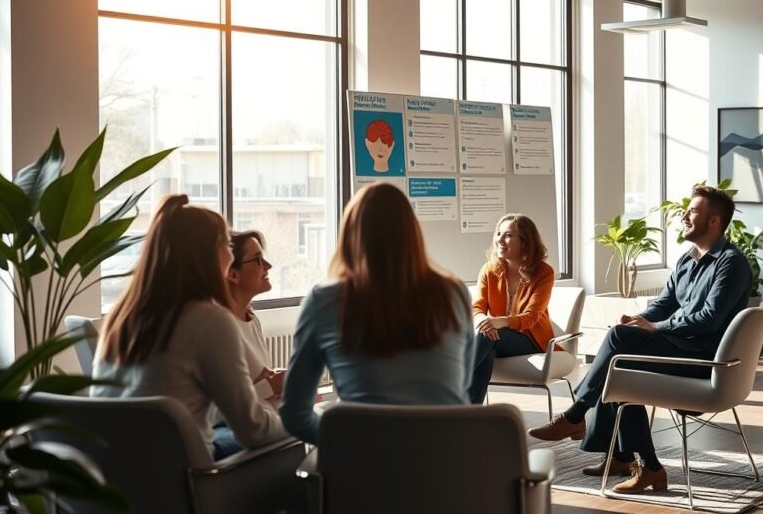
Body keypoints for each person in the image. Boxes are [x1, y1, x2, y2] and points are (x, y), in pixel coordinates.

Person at [528, 185, 752, 494]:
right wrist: (641, 320)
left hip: (704, 359)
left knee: (619, 349)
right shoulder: (688, 261)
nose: (685, 216)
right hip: (680, 347)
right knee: (620, 357)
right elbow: (665, 302)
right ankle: (626, 458)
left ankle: (578, 415)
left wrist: (655, 328)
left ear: (714, 221)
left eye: (693, 211)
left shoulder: (731, 263)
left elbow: (709, 319)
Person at [93, 195, 289, 460]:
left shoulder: (122, 317)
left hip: (115, 482)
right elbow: (253, 429)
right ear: (208, 253)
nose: (230, 254)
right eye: (225, 245)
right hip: (188, 485)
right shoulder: (209, 319)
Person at [280, 182, 475, 444]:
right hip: (452, 471)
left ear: (350, 235)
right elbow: (460, 384)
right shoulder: (455, 293)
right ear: (413, 232)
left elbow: (295, 415)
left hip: (363, 476)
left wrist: (345, 440)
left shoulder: (323, 301)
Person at [209, 229, 285, 458]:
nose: (268, 265)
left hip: (259, 417)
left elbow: (259, 385)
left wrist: (278, 386)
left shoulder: (252, 319)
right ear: (233, 274)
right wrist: (270, 387)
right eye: (258, 260)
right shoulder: (216, 328)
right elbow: (214, 409)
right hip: (233, 426)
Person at [468, 214, 556, 405]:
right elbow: (478, 306)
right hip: (498, 337)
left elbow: (531, 317)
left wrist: (499, 322)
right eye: (498, 233)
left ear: (525, 242)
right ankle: (470, 413)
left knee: (486, 337)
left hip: (530, 339)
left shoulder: (543, 272)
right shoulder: (489, 269)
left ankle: (452, 386)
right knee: (487, 343)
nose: (499, 239)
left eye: (508, 235)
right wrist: (484, 321)